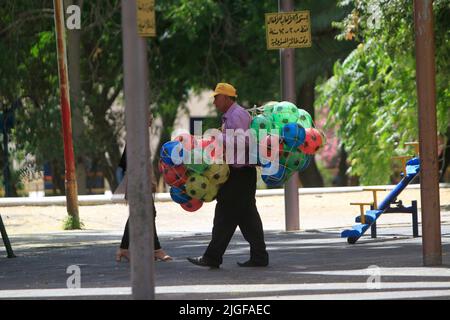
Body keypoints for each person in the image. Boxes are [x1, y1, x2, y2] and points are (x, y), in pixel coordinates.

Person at [187, 83, 269, 268]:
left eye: (217, 97)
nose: (215, 102)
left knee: (225, 213)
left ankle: (212, 257)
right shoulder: (230, 116)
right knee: (247, 217)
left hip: (240, 173)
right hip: (239, 173)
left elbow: (244, 141)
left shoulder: (237, 114)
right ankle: (259, 256)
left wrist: (217, 137)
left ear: (226, 97)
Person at [115, 115, 172, 262]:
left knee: (142, 214)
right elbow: (133, 162)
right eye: (148, 117)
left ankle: (125, 249)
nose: (151, 120)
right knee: (148, 213)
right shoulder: (137, 136)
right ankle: (156, 250)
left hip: (138, 181)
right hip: (139, 182)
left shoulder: (139, 135)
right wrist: (147, 180)